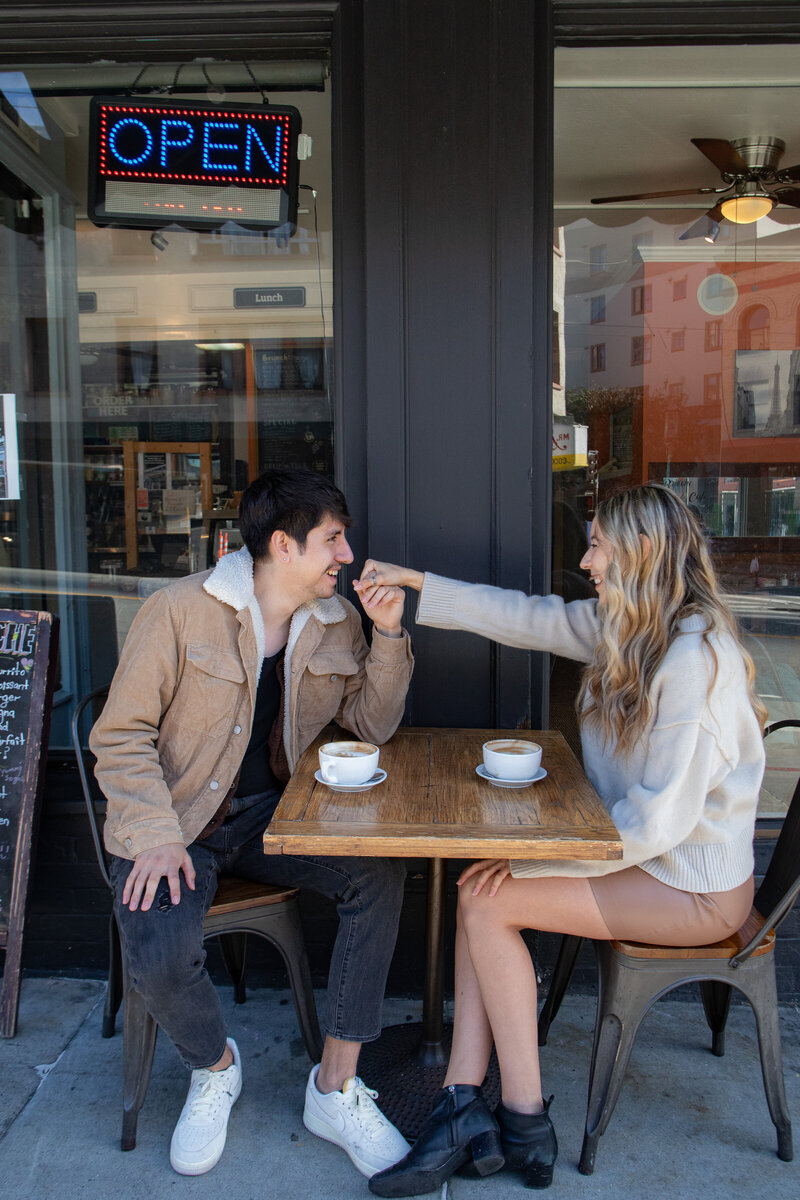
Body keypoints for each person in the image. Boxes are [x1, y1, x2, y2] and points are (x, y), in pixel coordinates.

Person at [353, 483, 766, 1197]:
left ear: (638, 551)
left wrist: (541, 858)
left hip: (692, 887)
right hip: (649, 862)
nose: (586, 558)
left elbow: (658, 825)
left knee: (488, 899)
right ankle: (465, 1104)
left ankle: (516, 1117)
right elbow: (527, 617)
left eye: (598, 543)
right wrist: (417, 583)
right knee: (481, 886)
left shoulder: (695, 663)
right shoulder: (635, 628)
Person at [90, 468, 414, 1179]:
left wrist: (389, 637)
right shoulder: (179, 610)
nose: (347, 555)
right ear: (281, 544)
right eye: (333, 539)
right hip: (179, 823)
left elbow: (370, 724)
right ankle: (215, 1068)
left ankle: (334, 1087)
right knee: (157, 945)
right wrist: (152, 835)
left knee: (378, 877)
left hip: (272, 820)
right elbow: (120, 735)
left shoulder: (337, 620)